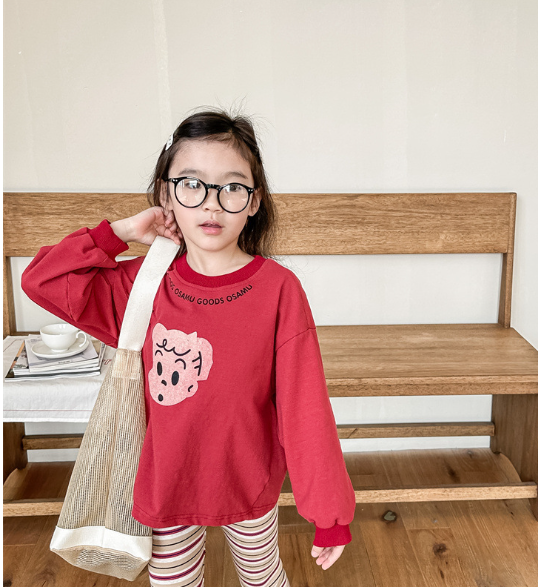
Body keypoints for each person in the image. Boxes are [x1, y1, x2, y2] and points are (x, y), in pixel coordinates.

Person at [21, 107, 356, 587]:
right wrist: (121, 232)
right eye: (192, 184)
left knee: (263, 577)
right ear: (167, 195)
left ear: (254, 201)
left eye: (232, 187)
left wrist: (329, 512)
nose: (212, 205)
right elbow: (41, 279)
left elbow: (305, 407)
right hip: (166, 484)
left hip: (248, 482)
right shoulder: (142, 287)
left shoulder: (279, 290)